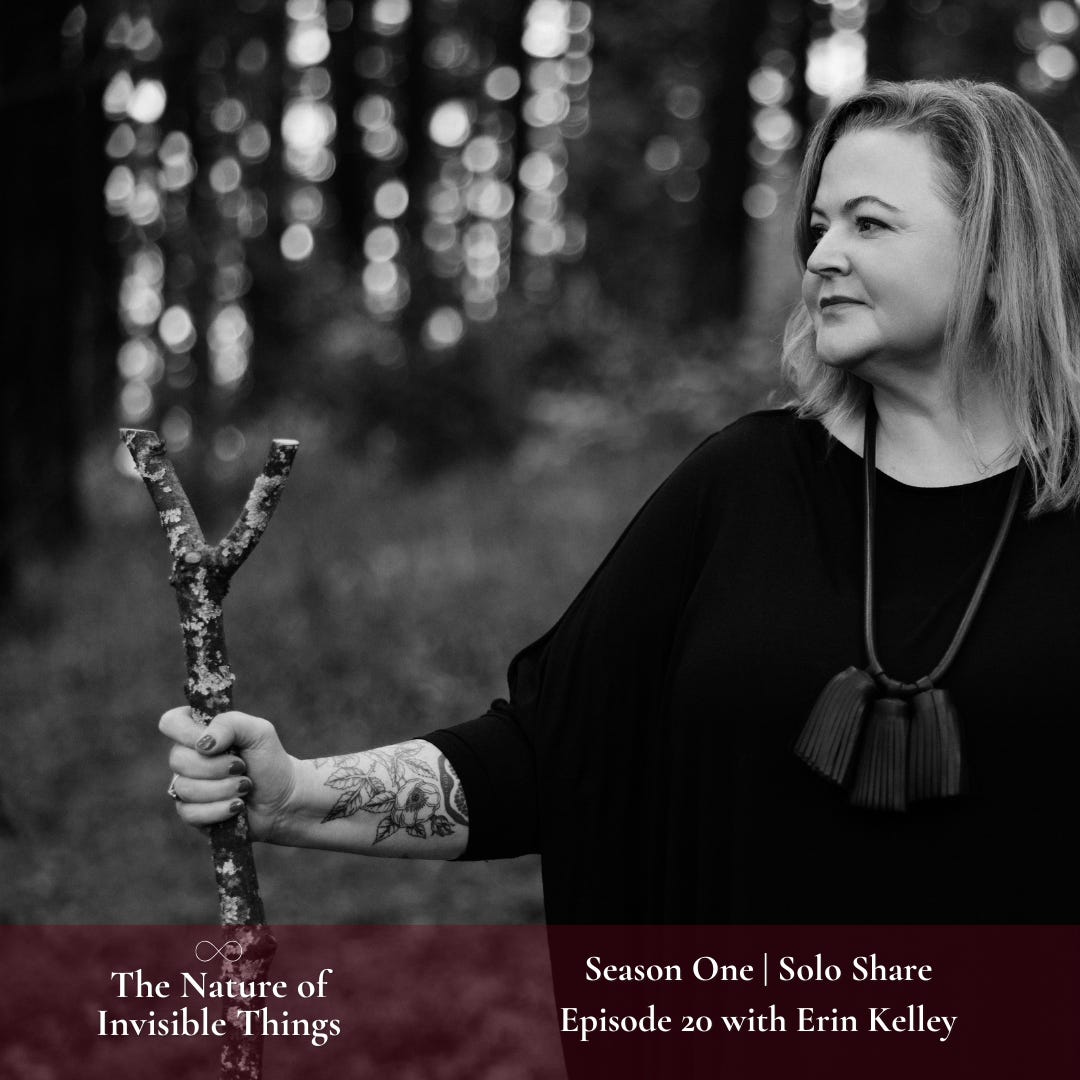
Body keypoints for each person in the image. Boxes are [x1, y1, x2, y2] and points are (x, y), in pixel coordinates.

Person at [160, 78, 1080, 924]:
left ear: (999, 256)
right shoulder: (742, 486)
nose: (822, 257)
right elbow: (550, 752)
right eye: (819, 226)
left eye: (870, 225)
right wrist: (300, 792)